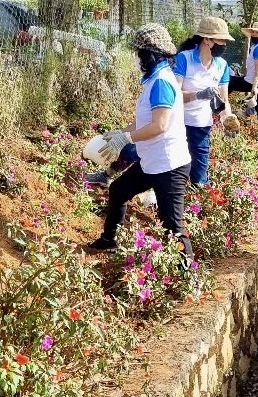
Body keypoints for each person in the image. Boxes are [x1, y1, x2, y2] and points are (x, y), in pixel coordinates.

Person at [88, 23, 194, 257]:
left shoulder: (162, 83)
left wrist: (126, 138)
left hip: (169, 166)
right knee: (118, 190)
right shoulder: (155, 80)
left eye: (139, 53)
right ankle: (109, 240)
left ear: (151, 55)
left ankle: (189, 278)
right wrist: (119, 134)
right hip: (153, 161)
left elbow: (159, 125)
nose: (136, 58)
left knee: (172, 225)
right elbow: (145, 120)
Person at [174, 16, 234, 186]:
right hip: (178, 123)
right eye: (221, 41)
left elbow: (223, 100)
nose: (224, 45)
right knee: (175, 169)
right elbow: (174, 95)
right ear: (207, 40)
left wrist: (227, 119)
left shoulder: (222, 65)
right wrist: (197, 95)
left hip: (201, 125)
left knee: (199, 177)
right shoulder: (184, 59)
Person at [228, 21, 258, 120]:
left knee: (230, 81)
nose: (254, 35)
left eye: (257, 33)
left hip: (254, 83)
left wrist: (254, 87)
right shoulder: (257, 46)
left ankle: (220, 106)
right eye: (253, 32)